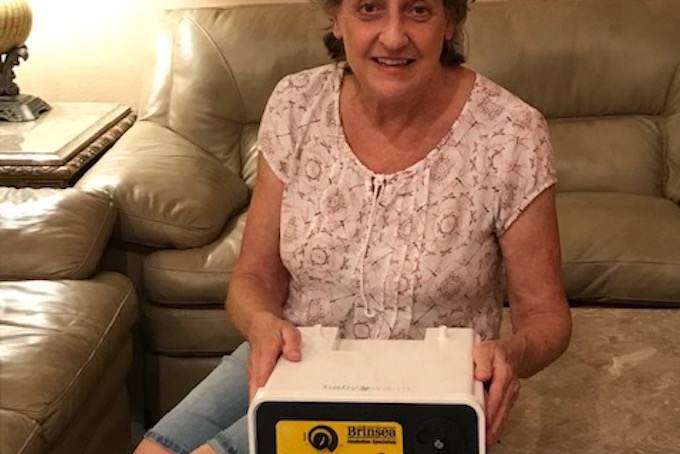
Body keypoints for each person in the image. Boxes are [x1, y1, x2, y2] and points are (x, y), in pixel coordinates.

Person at [134, 0, 572, 452]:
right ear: (336, 18)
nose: (394, 36)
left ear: (450, 21)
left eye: (419, 10)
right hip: (296, 355)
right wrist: (262, 324)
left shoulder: (512, 133)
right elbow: (253, 278)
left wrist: (510, 355)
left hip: (422, 389)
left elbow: (546, 317)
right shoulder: (295, 104)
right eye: (369, 8)